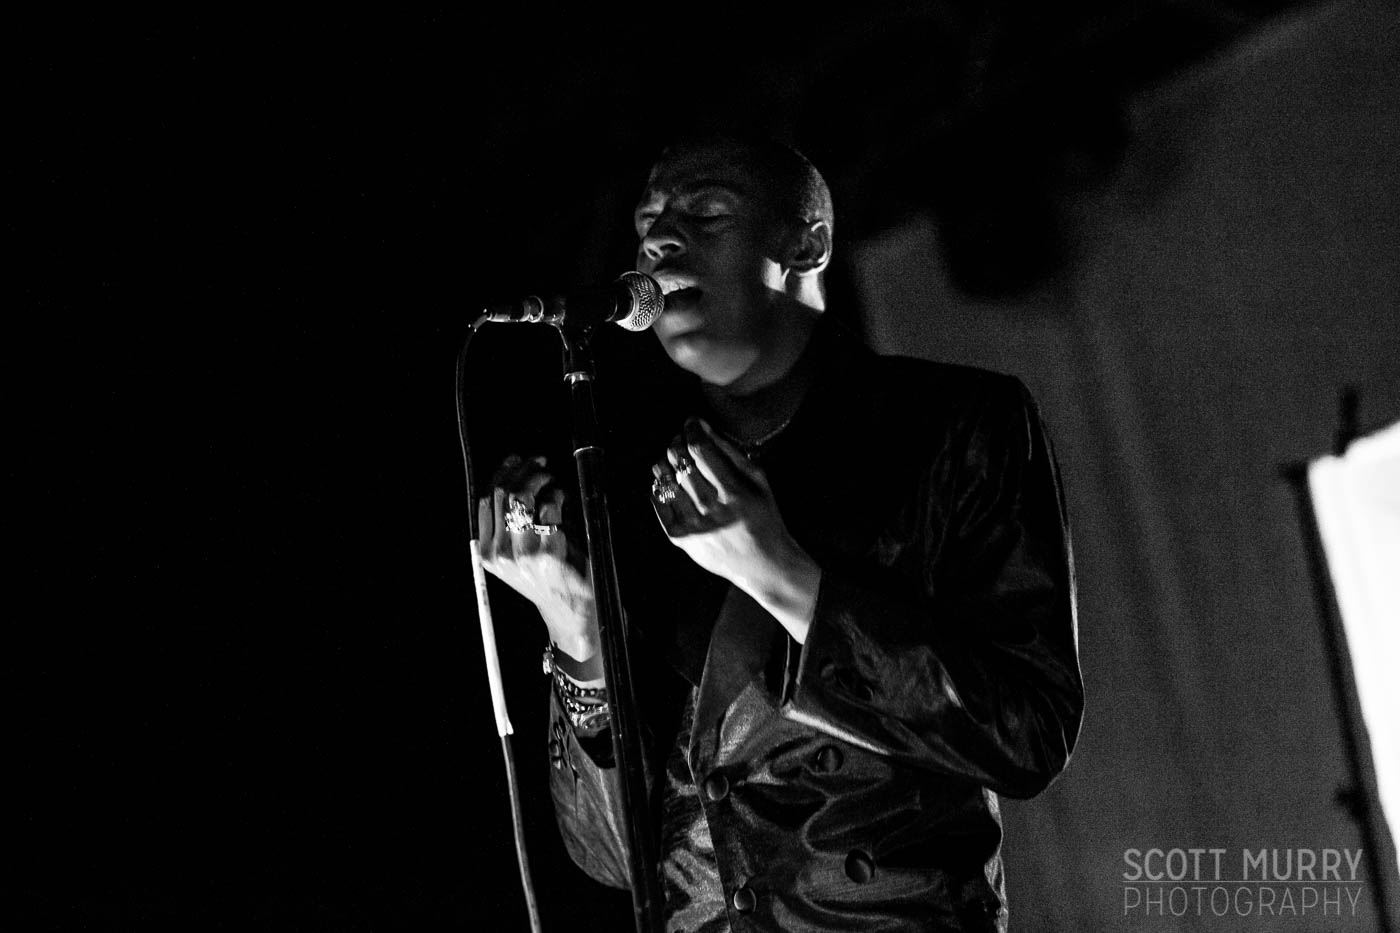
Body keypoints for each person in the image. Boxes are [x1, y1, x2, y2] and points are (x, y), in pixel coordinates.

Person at [477, 135, 1084, 932]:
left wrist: (784, 575)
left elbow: (1029, 733)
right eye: (647, 224)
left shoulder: (955, 425)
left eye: (705, 213)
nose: (660, 240)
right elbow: (615, 860)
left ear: (807, 244)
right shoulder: (635, 484)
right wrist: (578, 638)